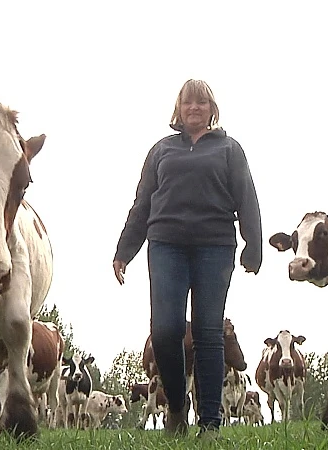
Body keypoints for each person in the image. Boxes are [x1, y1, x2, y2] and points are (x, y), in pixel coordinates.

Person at [112, 79, 262, 439]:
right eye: (188, 102)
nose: (194, 108)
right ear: (178, 109)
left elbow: (247, 196)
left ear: (212, 108)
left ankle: (210, 423)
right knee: (165, 330)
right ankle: (177, 407)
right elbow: (143, 202)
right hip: (166, 244)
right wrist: (124, 250)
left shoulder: (229, 148)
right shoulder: (162, 150)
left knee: (209, 332)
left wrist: (253, 245)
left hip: (215, 246)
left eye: (202, 102)